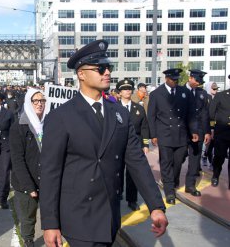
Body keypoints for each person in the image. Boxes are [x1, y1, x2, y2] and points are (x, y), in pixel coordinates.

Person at [40, 40, 167, 247]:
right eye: (100, 68)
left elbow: (136, 160)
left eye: (109, 67)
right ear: (81, 74)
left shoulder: (118, 113)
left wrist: (155, 205)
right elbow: (50, 172)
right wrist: (50, 223)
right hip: (78, 215)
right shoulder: (61, 116)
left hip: (109, 214)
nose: (107, 72)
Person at [148, 68, 199, 204]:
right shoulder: (156, 94)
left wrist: (194, 130)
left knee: (178, 161)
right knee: (166, 163)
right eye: (173, 80)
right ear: (166, 79)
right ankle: (169, 192)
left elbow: (191, 114)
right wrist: (153, 135)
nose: (175, 82)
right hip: (164, 134)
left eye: (177, 80)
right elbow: (151, 116)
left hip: (181, 134)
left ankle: (173, 179)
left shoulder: (185, 92)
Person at [10, 88, 46, 247]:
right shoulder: (19, 126)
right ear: (28, 103)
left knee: (49, 215)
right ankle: (29, 240)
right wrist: (29, 186)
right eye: (35, 101)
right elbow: (17, 160)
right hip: (26, 183)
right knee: (28, 217)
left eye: (42, 101)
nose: (39, 104)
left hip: (46, 180)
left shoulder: (50, 124)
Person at [116, 79, 150, 211]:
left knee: (132, 173)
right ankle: (117, 194)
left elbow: (144, 128)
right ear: (119, 92)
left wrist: (145, 144)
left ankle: (132, 199)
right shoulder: (112, 107)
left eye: (129, 89)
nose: (127, 91)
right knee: (116, 172)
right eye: (124, 89)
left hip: (133, 145)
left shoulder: (138, 108)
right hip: (117, 145)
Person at [184, 70, 211, 196]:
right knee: (177, 159)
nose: (198, 84)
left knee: (195, 159)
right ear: (190, 78)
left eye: (200, 82)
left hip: (198, 131)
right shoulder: (180, 91)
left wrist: (207, 132)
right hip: (181, 131)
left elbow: (205, 114)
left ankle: (190, 185)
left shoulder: (202, 93)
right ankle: (171, 182)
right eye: (197, 81)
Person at [209, 75, 230, 189]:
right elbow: (211, 113)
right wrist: (212, 129)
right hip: (222, 132)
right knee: (219, 157)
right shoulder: (221, 96)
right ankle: (215, 176)